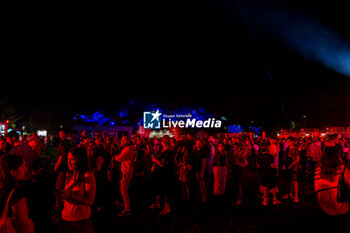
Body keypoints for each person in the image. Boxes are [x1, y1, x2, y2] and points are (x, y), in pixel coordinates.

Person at [58, 147, 96, 233]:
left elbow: (90, 201)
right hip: (65, 218)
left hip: (80, 221)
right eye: (68, 159)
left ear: (80, 160)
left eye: (72, 159)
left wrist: (71, 195)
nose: (68, 162)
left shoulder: (88, 176)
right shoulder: (69, 174)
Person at [0, 155, 34, 233]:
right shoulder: (16, 193)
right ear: (13, 171)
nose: (26, 169)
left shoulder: (2, 187)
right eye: (23, 166)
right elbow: (23, 225)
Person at [150, 137, 175, 215]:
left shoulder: (168, 152)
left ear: (164, 142)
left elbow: (163, 164)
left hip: (166, 174)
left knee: (166, 191)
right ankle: (162, 206)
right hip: (163, 173)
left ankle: (167, 208)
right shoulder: (166, 150)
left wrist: (154, 160)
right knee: (163, 191)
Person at [113, 136, 135, 216]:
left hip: (126, 171)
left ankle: (127, 209)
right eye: (122, 139)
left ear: (128, 141)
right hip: (127, 170)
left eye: (125, 140)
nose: (122, 141)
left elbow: (119, 158)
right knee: (124, 190)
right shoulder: (128, 148)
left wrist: (115, 157)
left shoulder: (127, 149)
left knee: (123, 190)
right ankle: (125, 205)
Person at [282, 137, 300, 203]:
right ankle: (290, 193)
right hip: (288, 167)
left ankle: (296, 196)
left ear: (292, 142)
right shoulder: (287, 149)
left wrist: (291, 165)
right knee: (289, 181)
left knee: (295, 181)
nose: (288, 142)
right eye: (287, 141)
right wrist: (285, 164)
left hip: (294, 168)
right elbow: (286, 158)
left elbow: (298, 159)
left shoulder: (295, 149)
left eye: (289, 141)